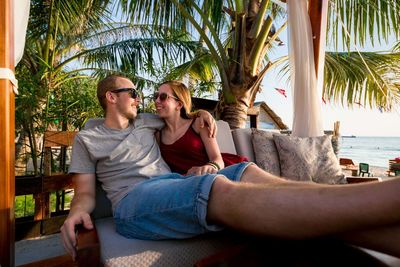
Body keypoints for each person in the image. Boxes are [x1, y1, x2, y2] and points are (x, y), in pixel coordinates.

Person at [61, 75, 400, 261]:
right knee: (216, 187)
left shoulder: (148, 121)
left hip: (171, 183)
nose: (141, 97)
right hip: (134, 202)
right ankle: (390, 197)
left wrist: (203, 116)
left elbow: (187, 115)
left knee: (244, 173)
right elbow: (85, 193)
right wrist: (76, 212)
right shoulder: (88, 139)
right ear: (110, 97)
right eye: (132, 92)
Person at [155, 80, 247, 175]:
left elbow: (217, 159)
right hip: (188, 183)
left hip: (221, 171)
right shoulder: (158, 133)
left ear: (179, 104)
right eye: (156, 96)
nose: (157, 101)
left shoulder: (199, 122)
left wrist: (210, 167)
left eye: (163, 97)